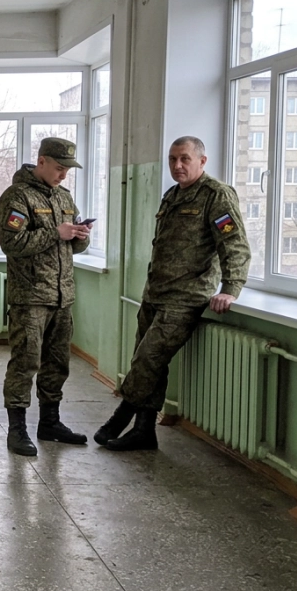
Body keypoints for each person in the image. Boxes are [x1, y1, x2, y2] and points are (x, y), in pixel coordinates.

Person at [96, 136, 250, 452]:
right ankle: (143, 431)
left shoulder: (216, 195)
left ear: (202, 161)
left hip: (186, 296)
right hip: (156, 292)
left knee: (147, 359)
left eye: (184, 159)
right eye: (172, 159)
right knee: (151, 362)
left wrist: (231, 289)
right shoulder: (173, 195)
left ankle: (120, 417)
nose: (177, 166)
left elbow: (233, 245)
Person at [0, 137, 92, 456]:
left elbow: (73, 246)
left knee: (57, 363)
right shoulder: (17, 196)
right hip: (31, 296)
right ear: (42, 161)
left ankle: (50, 423)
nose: (64, 175)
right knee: (25, 362)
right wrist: (57, 232)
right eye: (59, 167)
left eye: (67, 169)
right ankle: (17, 429)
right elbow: (13, 243)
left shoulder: (64, 197)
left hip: (63, 295)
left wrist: (80, 236)